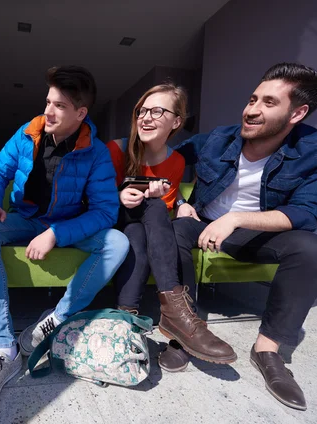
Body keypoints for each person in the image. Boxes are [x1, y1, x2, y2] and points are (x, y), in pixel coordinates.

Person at [173, 62, 317, 410]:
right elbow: (164, 158)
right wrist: (177, 201)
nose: (251, 110)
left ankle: (268, 350)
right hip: (201, 221)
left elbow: (308, 213)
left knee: (313, 250)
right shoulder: (219, 138)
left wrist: (236, 219)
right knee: (171, 229)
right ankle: (184, 330)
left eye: (268, 102)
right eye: (252, 99)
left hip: (253, 234)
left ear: (297, 113)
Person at [0, 65, 129, 413]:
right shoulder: (27, 133)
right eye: (47, 102)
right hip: (24, 218)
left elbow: (104, 212)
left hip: (66, 224)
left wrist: (57, 233)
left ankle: (59, 315)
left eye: (59, 106)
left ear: (80, 113)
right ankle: (2, 345)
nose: (48, 111)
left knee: (117, 242)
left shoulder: (96, 152)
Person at [108, 84, 236, 372]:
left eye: (157, 111)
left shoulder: (176, 161)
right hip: (110, 218)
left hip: (140, 227)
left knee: (145, 225)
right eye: (141, 111)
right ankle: (177, 311)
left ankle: (126, 318)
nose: (145, 117)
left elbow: (163, 206)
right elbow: (90, 197)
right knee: (151, 209)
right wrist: (118, 196)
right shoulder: (116, 149)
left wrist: (178, 203)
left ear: (176, 122)